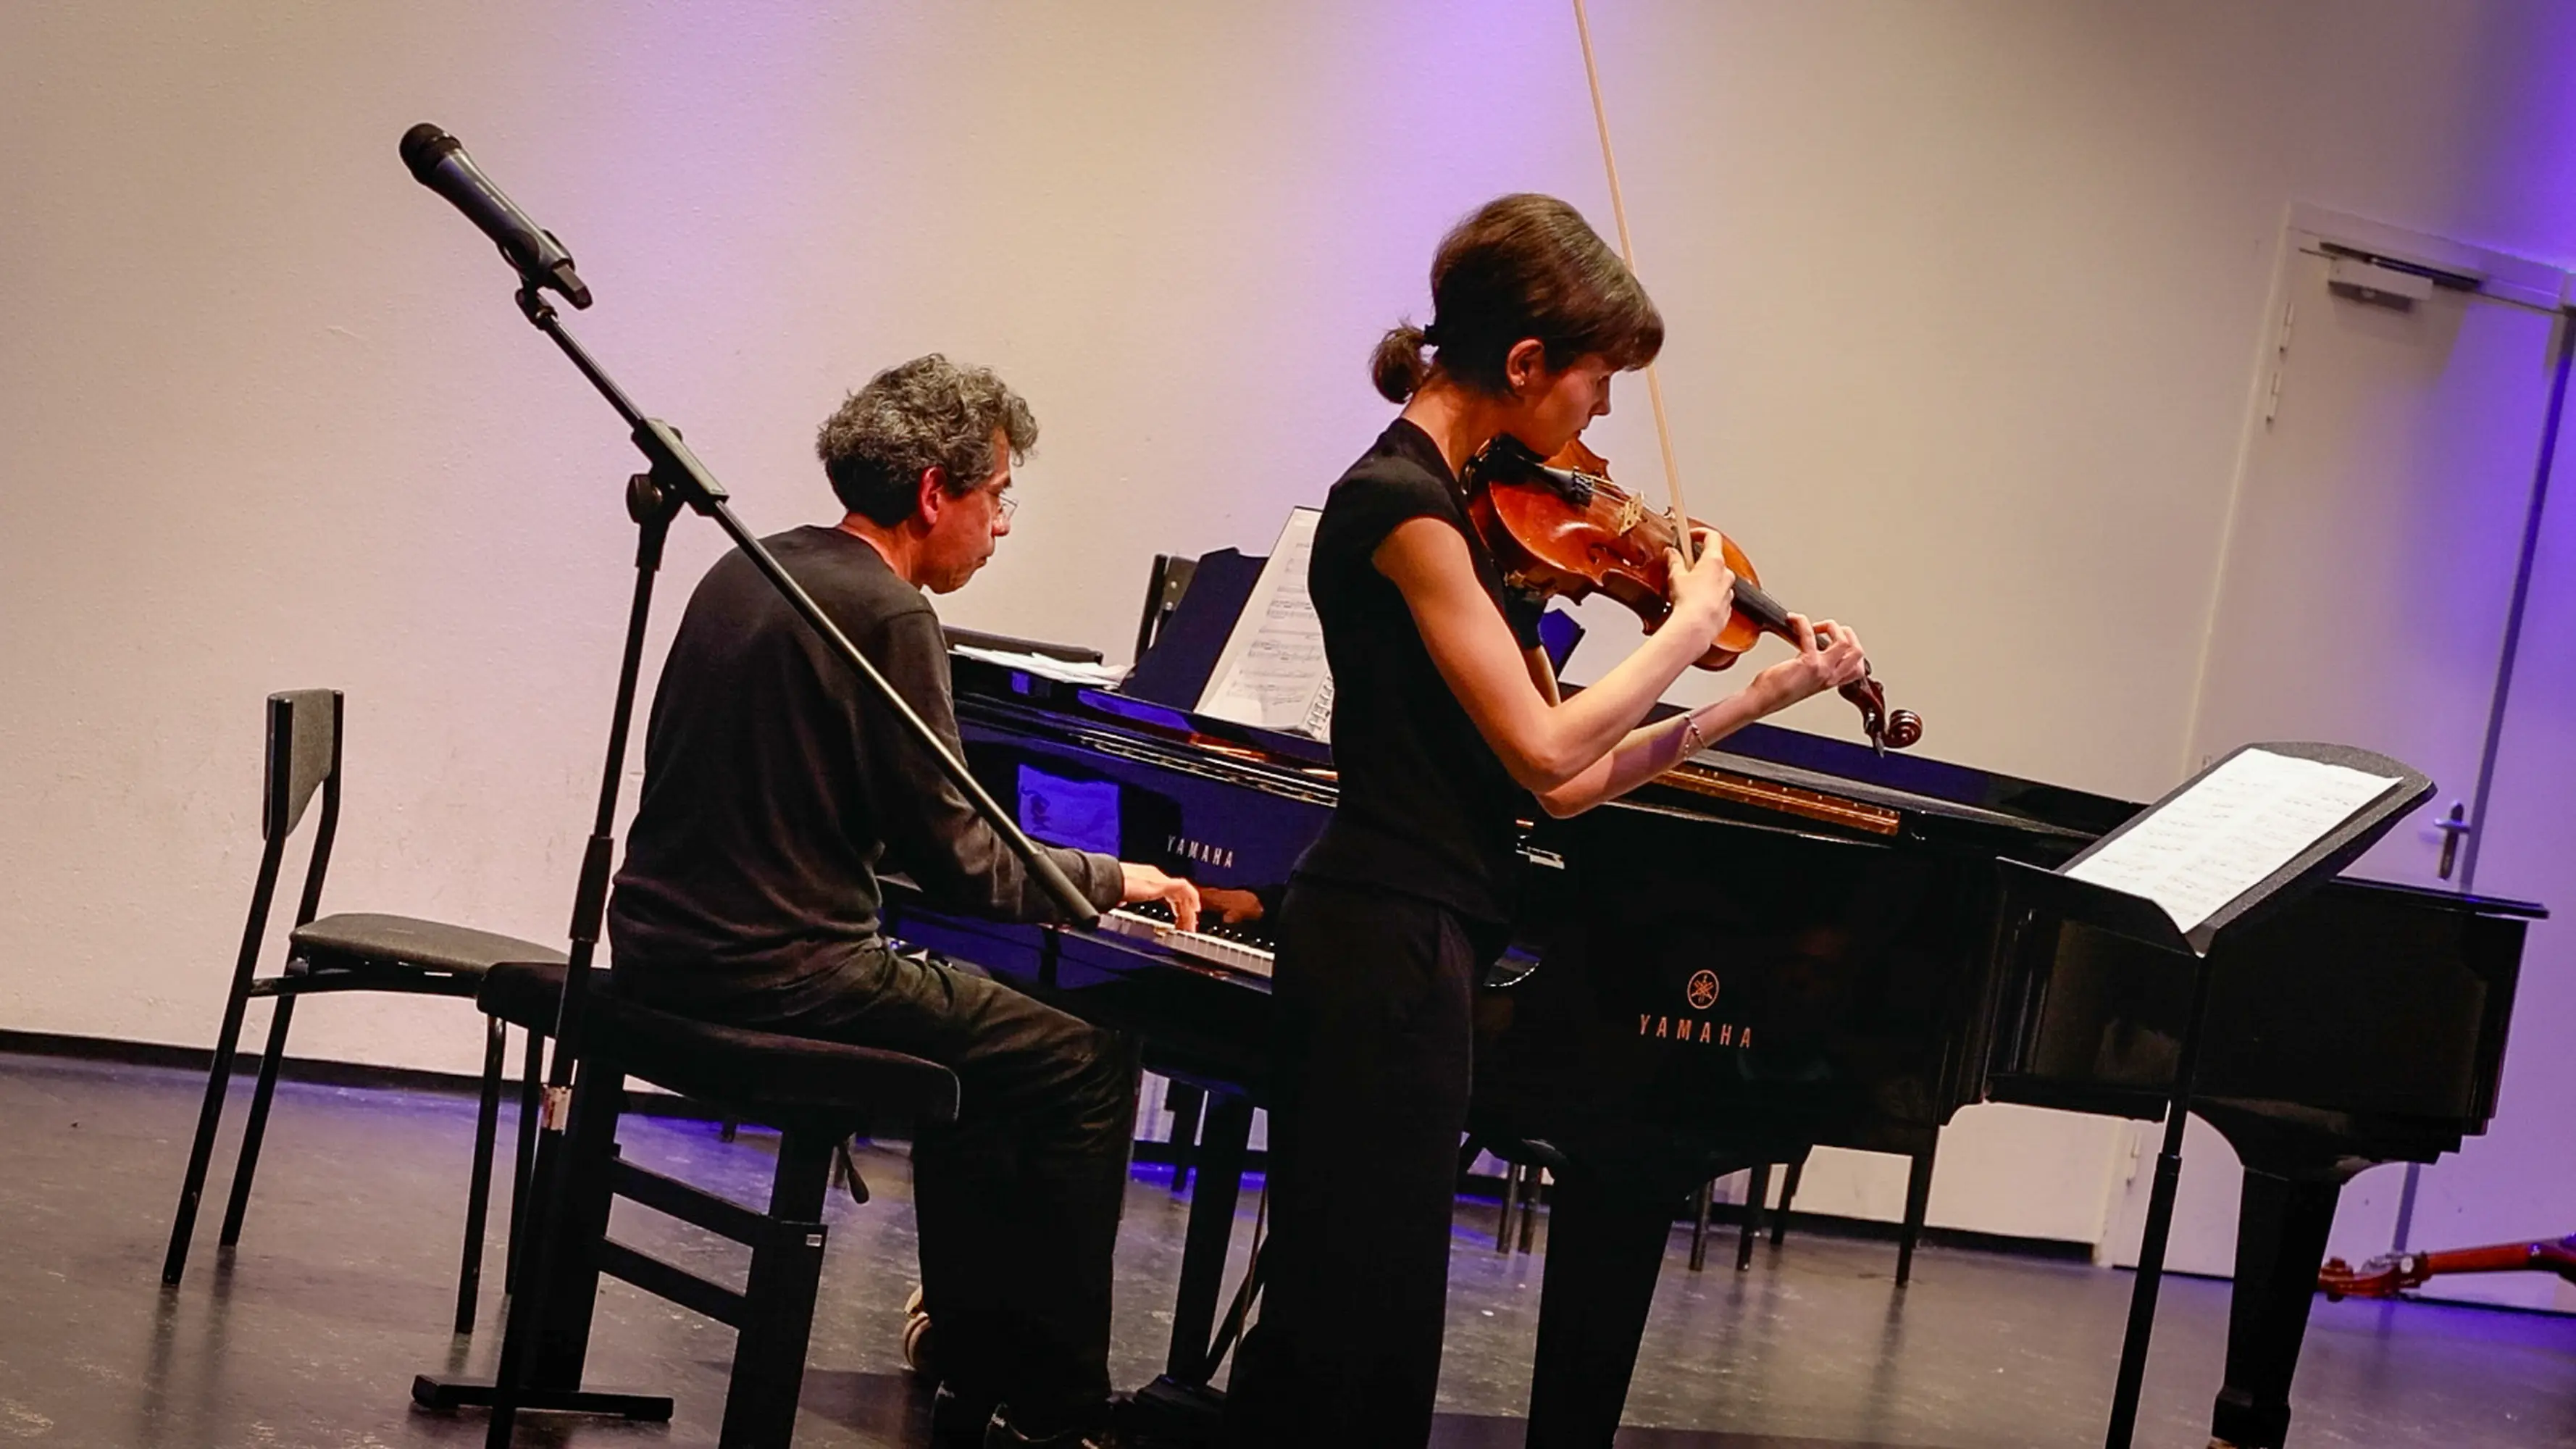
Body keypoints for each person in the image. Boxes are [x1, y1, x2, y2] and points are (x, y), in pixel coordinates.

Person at [1224, 195, 1870, 1448]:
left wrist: (1753, 696)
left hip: (1427, 939)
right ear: (1525, 363)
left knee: (1369, 1319)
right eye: (1598, 380)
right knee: (1350, 1327)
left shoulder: (1466, 513)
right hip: (1380, 938)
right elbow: (1543, 743)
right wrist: (1687, 628)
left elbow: (1564, 785)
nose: (1602, 416)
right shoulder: (1402, 510)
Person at [606, 354, 1200, 1449]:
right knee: (1083, 1058)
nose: (1001, 526)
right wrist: (1120, 880)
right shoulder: (887, 613)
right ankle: (1061, 1408)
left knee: (988, 1034)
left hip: (661, 942)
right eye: (998, 497)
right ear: (935, 492)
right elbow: (967, 858)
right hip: (784, 972)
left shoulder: (754, 565)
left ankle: (972, 1343)